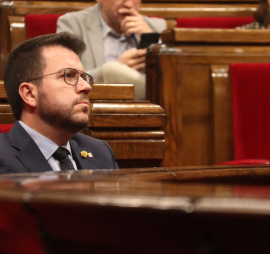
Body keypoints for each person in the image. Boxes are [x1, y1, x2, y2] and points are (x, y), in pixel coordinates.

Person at [0, 32, 119, 173]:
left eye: (82, 77)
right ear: (29, 94)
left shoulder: (100, 152)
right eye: (68, 76)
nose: (86, 87)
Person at [56, 0, 167, 100]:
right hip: (94, 107)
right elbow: (64, 76)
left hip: (147, 112)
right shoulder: (73, 24)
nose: (129, 4)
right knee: (110, 70)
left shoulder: (156, 27)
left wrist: (153, 40)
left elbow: (170, 78)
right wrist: (114, 71)